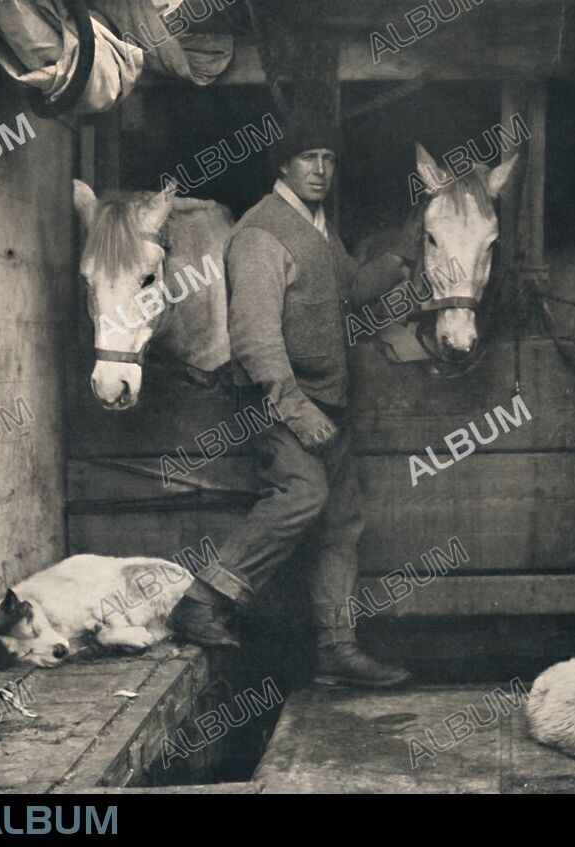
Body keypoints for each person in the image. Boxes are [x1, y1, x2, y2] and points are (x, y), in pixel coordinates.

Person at [169, 112, 415, 687]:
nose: (321, 169)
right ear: (282, 163)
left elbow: (349, 288)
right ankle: (203, 599)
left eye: (329, 159)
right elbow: (254, 336)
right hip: (280, 401)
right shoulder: (261, 232)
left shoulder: (317, 227)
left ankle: (336, 648)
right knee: (303, 494)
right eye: (309, 158)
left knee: (341, 521)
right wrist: (294, 407)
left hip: (329, 401)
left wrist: (400, 258)